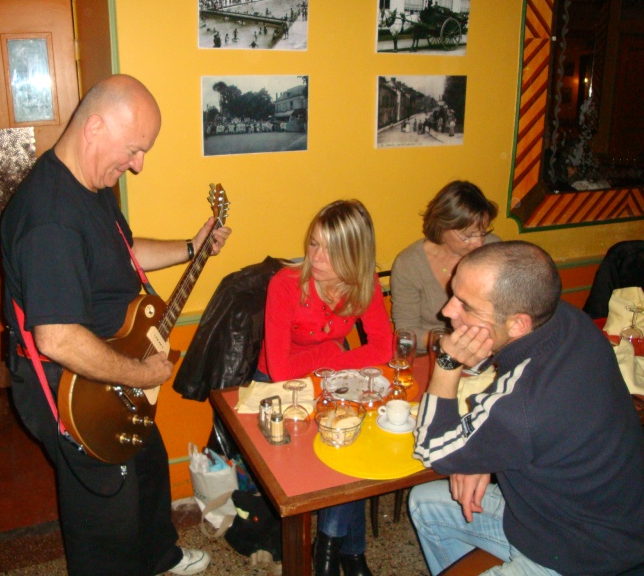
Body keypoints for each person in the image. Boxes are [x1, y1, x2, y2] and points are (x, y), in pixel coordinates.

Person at [0, 75, 231, 576]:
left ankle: (159, 557)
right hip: (74, 385)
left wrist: (193, 247)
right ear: (96, 127)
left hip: (116, 362)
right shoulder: (50, 220)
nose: (139, 165)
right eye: (134, 150)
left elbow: (123, 255)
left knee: (146, 465)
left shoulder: (91, 183)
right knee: (105, 513)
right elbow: (56, 338)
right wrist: (141, 374)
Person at [409, 241, 644, 575]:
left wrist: (447, 363)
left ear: (518, 323)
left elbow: (432, 449)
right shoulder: (566, 319)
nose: (447, 311)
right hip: (586, 519)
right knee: (424, 504)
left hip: (581, 556)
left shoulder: (523, 408)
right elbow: (504, 399)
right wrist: (477, 456)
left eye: (466, 305)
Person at [256, 200, 392, 576]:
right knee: (336, 449)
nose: (316, 257)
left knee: (349, 441)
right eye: (314, 243)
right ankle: (346, 551)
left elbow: (383, 347)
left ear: (354, 255)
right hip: (281, 387)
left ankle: (334, 547)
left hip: (330, 379)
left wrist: (331, 358)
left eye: (331, 250)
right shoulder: (285, 285)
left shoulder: (362, 285)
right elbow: (282, 369)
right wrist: (332, 353)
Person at [391, 180, 499, 351]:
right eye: (468, 236)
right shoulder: (409, 264)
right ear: (443, 227)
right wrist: (448, 343)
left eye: (483, 232)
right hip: (430, 354)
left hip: (485, 349)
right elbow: (406, 332)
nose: (479, 243)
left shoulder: (493, 251)